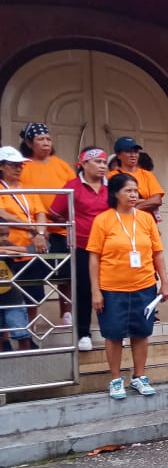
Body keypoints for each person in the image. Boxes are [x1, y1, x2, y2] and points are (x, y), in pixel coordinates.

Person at [87, 172, 168, 399]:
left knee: (141, 332)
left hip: (144, 286)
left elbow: (158, 253)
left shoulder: (145, 219)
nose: (134, 195)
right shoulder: (103, 220)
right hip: (112, 288)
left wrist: (164, 283)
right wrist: (95, 291)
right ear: (115, 193)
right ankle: (115, 380)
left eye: (136, 191)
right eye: (128, 190)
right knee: (114, 334)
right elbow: (94, 257)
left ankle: (139, 377)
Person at [49, 147, 109, 351]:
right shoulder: (72, 186)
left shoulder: (111, 187)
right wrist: (72, 222)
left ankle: (112, 330)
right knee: (84, 290)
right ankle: (84, 333)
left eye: (104, 162)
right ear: (83, 164)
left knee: (111, 289)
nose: (102, 166)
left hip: (109, 248)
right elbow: (54, 212)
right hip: (82, 246)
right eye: (98, 162)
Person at [19, 122, 76, 325]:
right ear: (28, 143)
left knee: (66, 272)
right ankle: (31, 315)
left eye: (48, 139)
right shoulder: (23, 166)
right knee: (33, 275)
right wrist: (37, 227)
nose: (46, 143)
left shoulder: (60, 164)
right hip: (34, 228)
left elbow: (73, 190)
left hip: (62, 226)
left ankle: (66, 313)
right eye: (41, 140)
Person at [0, 145, 48, 315]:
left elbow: (41, 212)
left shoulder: (27, 188)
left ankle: (30, 335)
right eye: (14, 165)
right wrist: (31, 227)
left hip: (31, 250)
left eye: (20, 165)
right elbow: (3, 214)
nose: (18, 168)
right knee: (7, 296)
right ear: (1, 166)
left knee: (33, 295)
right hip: (8, 252)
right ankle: (5, 338)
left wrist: (41, 234)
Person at [107, 137, 164, 220]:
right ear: (118, 155)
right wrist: (144, 202)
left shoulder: (147, 175)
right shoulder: (110, 176)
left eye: (136, 151)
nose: (133, 155)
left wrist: (134, 208)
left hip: (145, 222)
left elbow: (157, 200)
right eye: (128, 151)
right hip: (121, 221)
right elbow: (112, 201)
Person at [0, 224, 36, 350]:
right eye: (1, 235)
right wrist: (5, 251)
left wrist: (5, 250)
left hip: (12, 297)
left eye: (6, 234)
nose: (4, 238)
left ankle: (24, 361)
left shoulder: (8, 245)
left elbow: (23, 250)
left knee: (20, 331)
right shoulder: (7, 248)